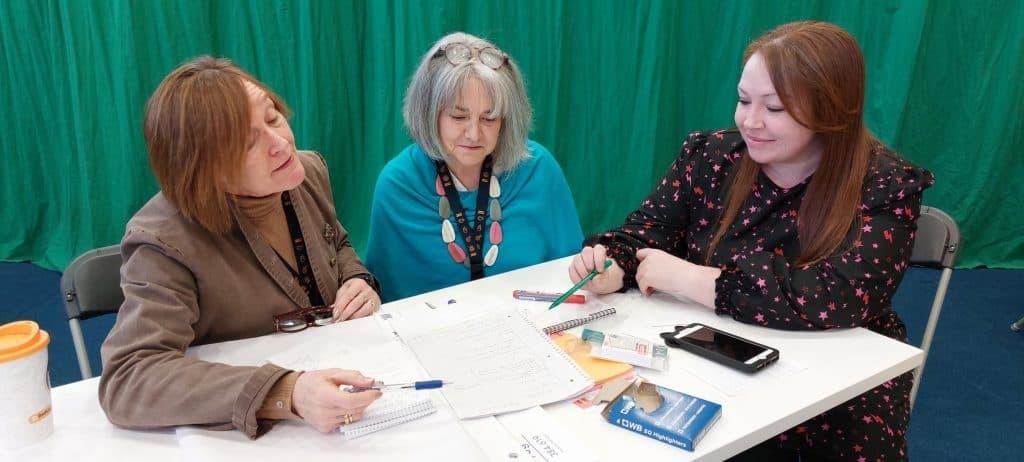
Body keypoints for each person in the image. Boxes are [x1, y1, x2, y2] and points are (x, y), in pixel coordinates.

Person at [569, 21, 933, 461]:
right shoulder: (709, 157)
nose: (751, 121)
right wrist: (614, 265)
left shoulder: (884, 185)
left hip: (838, 379)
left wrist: (693, 279)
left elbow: (835, 297)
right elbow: (644, 232)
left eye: (776, 109)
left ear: (832, 112)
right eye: (743, 101)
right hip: (716, 355)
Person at [98, 56, 384, 438]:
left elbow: (338, 242)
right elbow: (129, 378)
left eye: (272, 118)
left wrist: (356, 279)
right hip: (252, 437)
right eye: (248, 143)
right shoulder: (163, 240)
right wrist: (285, 393)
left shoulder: (308, 172)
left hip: (342, 396)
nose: (281, 143)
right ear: (204, 169)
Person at [366, 32, 583, 302]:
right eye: (458, 116)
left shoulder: (538, 168)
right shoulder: (398, 184)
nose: (473, 134)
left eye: (489, 118)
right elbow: (387, 305)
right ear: (428, 112)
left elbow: (572, 276)